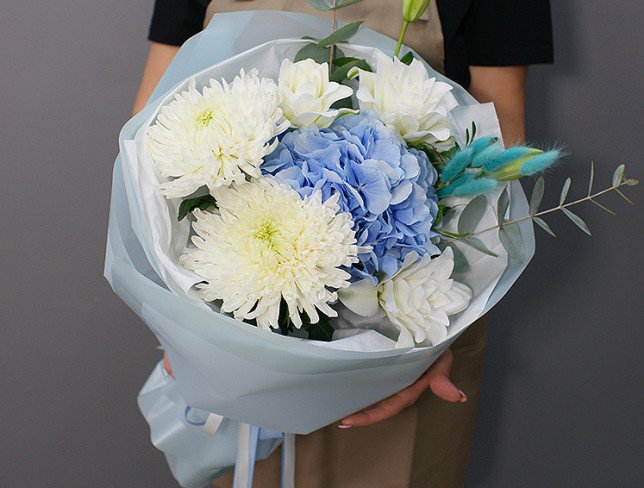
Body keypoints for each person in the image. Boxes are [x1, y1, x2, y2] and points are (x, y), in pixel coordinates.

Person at [133, 1, 553, 486]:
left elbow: (498, 149)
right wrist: (181, 321)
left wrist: (429, 335)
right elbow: (151, 134)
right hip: (233, 331)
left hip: (404, 351)